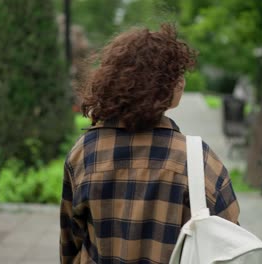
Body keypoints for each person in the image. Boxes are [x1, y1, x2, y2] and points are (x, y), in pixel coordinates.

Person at [60, 24, 240, 264]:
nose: (183, 82)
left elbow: (70, 242)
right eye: (178, 74)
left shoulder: (84, 152)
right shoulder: (197, 159)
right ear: (166, 86)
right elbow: (231, 241)